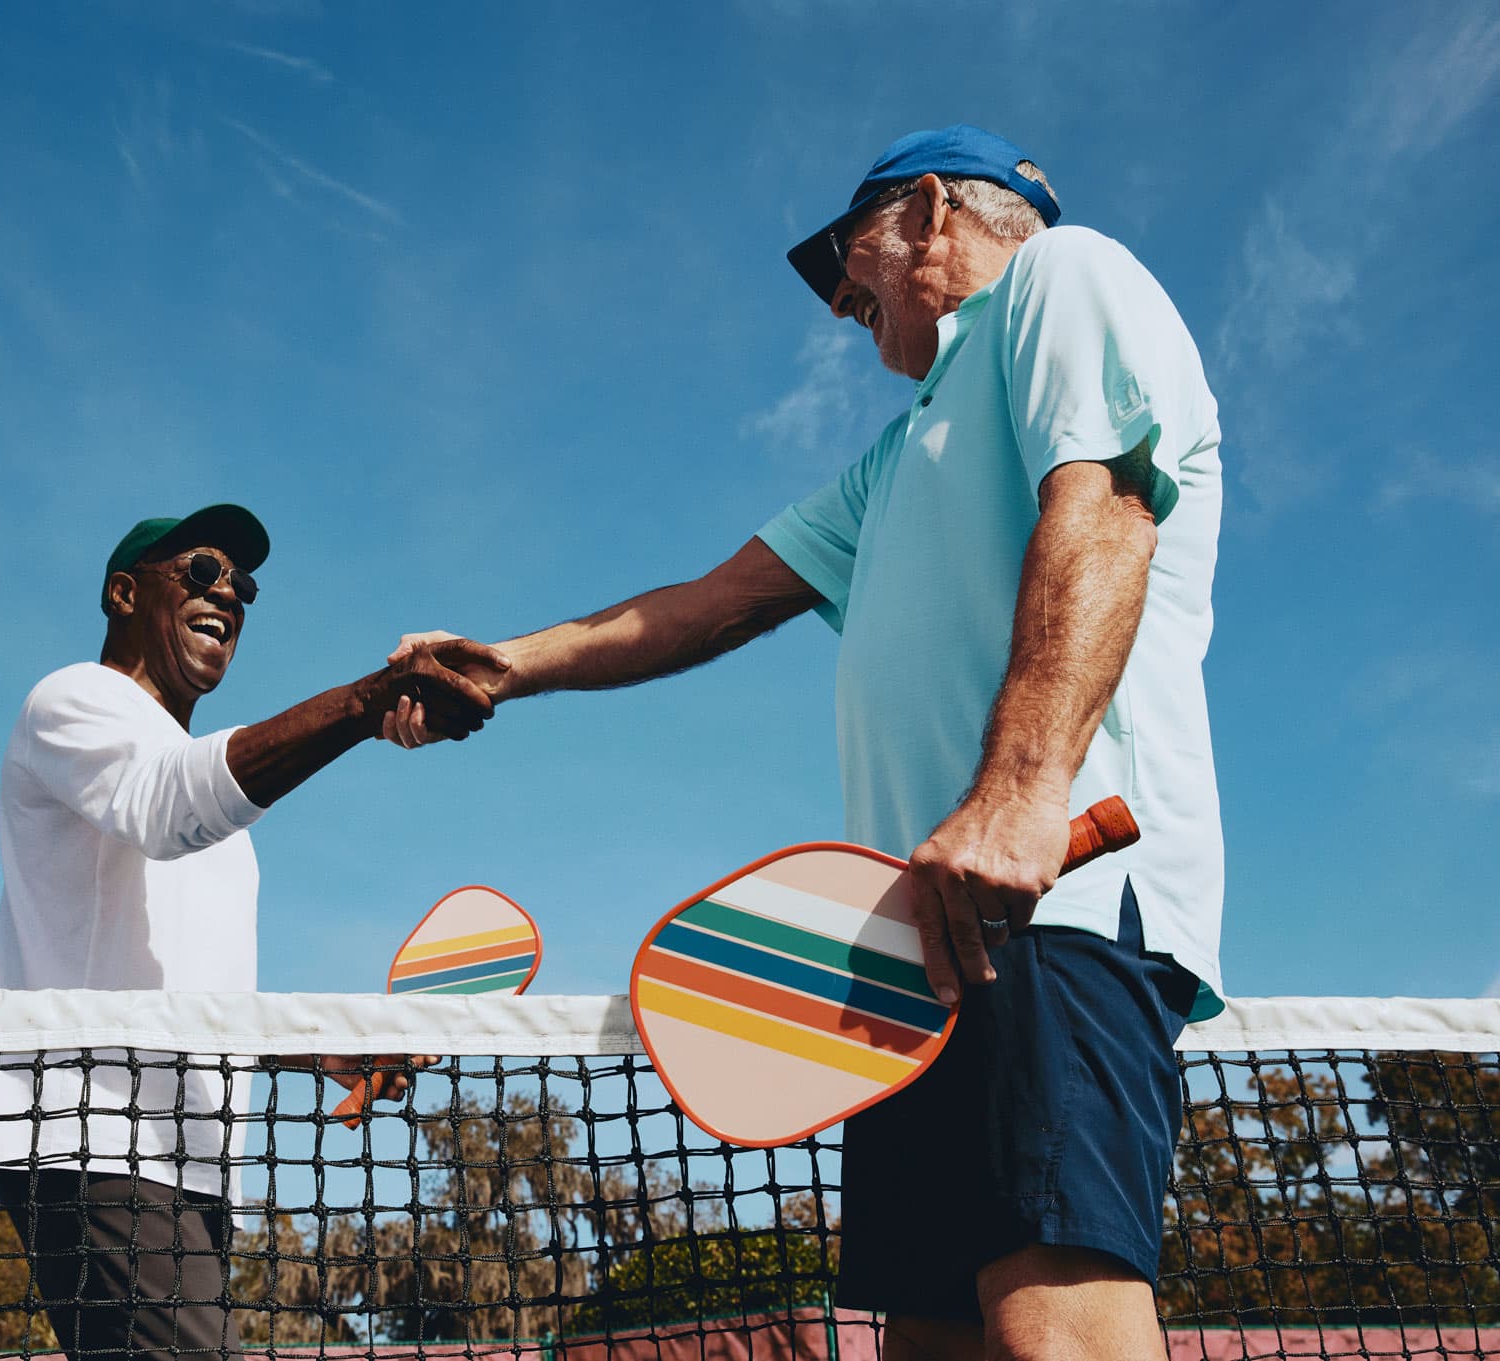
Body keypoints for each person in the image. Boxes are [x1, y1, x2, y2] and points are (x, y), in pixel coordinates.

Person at [387, 126, 1223, 1361]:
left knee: (1056, 1324)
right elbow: (709, 600)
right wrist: (508, 664)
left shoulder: (1067, 278)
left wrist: (1019, 793)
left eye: (848, 259)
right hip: (918, 956)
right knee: (929, 1341)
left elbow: (1105, 507)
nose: (840, 301)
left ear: (932, 212)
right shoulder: (895, 459)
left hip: (1052, 904)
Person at [0, 504, 499, 1360]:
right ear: (124, 591)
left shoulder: (217, 805)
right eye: (203, 572)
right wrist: (368, 702)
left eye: (243, 586)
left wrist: (326, 1050)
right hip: (98, 1135)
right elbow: (167, 806)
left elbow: (203, 1001)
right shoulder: (75, 699)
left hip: (190, 1164)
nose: (231, 594)